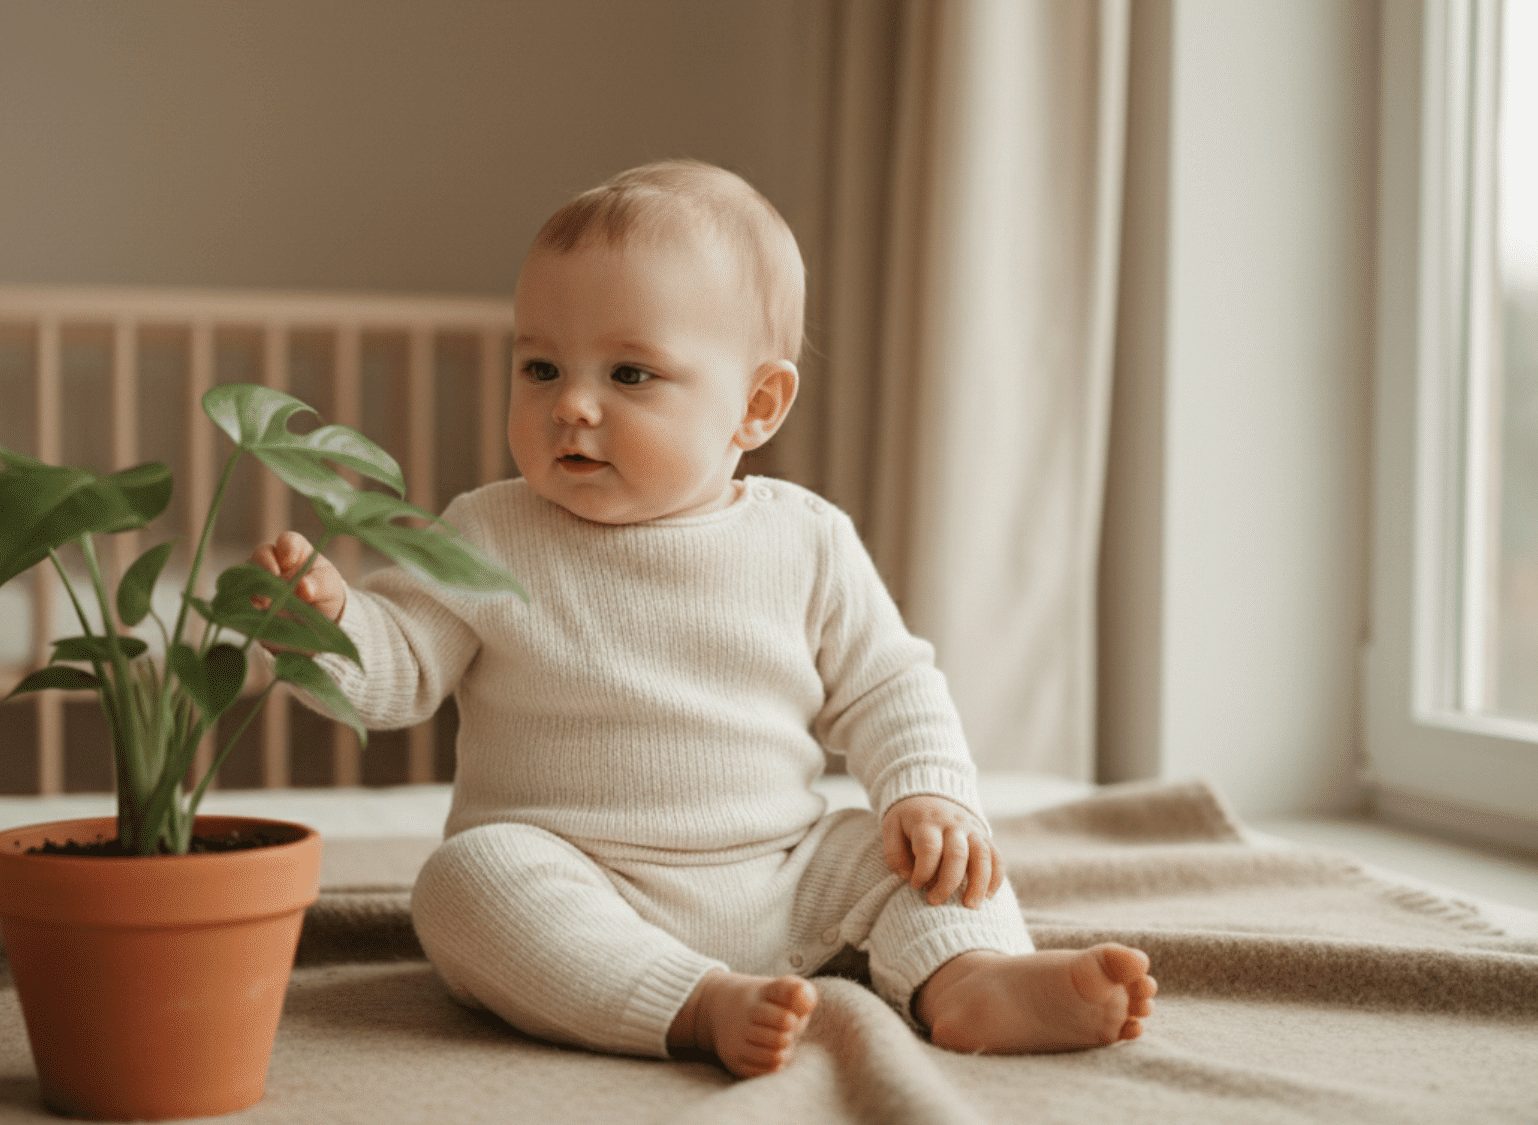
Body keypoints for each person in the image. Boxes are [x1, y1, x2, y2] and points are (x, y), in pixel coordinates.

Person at [253, 159, 1155, 1076]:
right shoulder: (490, 530)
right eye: (540, 366)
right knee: (464, 882)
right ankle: (691, 1003)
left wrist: (927, 792)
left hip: (784, 875)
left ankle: (971, 979)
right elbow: (399, 668)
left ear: (756, 406)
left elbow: (890, 680)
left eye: (631, 373)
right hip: (576, 879)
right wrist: (323, 623)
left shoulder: (807, 540)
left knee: (921, 857)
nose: (571, 402)